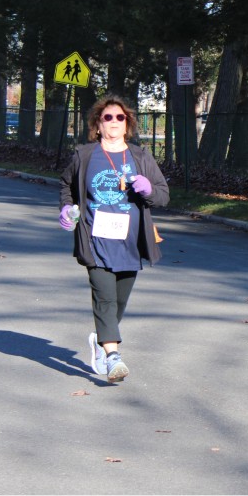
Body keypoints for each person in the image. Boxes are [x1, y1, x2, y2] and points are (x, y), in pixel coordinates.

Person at [58, 94, 169, 382]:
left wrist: (148, 190)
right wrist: (67, 209)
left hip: (130, 242)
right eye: (108, 117)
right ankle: (113, 357)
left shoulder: (140, 157)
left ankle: (100, 339)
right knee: (105, 299)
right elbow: (67, 185)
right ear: (98, 124)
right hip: (95, 241)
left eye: (120, 117)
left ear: (127, 124)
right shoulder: (85, 155)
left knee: (118, 303)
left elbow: (163, 196)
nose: (115, 121)